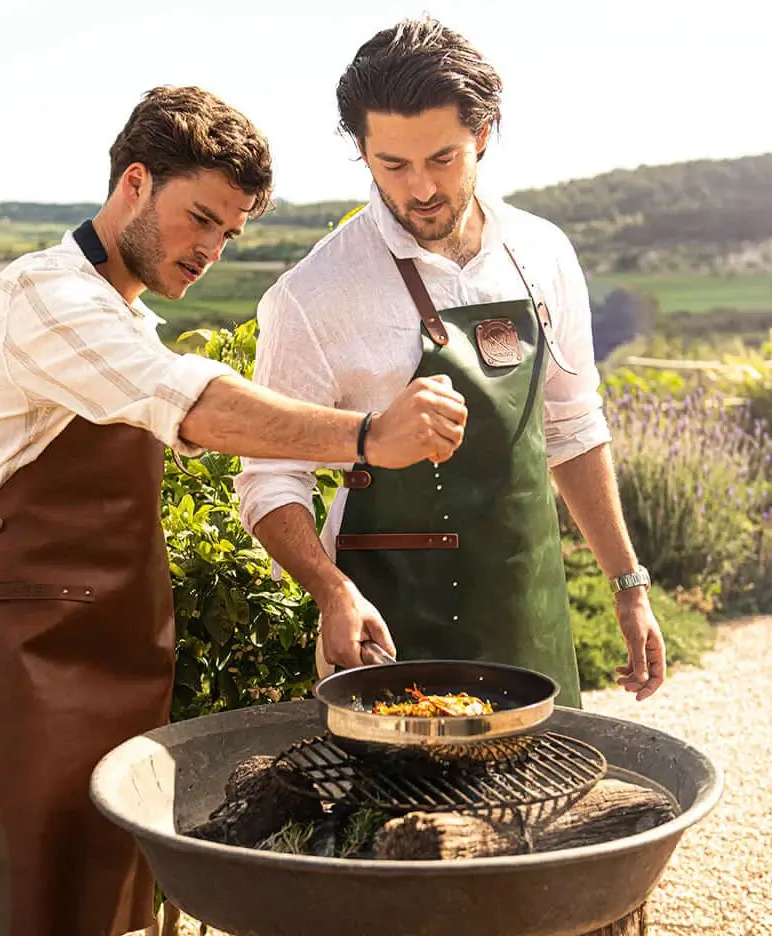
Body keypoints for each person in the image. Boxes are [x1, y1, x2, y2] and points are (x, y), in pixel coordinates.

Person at [0, 85, 469, 936]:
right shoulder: (44, 295)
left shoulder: (125, 317)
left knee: (111, 898)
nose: (211, 249)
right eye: (201, 219)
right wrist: (369, 435)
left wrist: (330, 590)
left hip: (119, 641)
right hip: (27, 651)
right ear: (135, 182)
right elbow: (197, 404)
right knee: (23, 901)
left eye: (230, 233)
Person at [235, 18, 665, 709]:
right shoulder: (312, 296)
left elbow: (572, 426)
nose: (420, 189)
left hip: (529, 608)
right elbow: (269, 477)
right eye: (392, 165)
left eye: (442, 158)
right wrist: (331, 591)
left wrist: (628, 584)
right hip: (385, 629)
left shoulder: (543, 253)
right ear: (361, 150)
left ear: (483, 134)